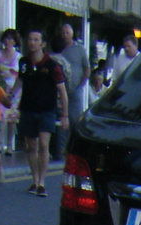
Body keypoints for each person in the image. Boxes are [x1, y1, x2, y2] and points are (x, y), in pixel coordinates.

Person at [12, 28, 67, 197]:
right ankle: (34, 180)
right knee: (31, 146)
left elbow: (62, 91)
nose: (32, 43)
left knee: (43, 144)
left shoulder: (52, 66)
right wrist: (11, 97)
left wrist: (64, 115)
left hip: (47, 111)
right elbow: (19, 82)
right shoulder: (23, 62)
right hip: (28, 109)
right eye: (30, 39)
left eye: (36, 40)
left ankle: (42, 182)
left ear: (42, 44)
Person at [51, 21, 87, 161]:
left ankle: (75, 147)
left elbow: (86, 68)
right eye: (63, 33)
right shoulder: (58, 49)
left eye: (67, 32)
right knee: (60, 119)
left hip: (75, 89)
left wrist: (81, 85)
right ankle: (61, 149)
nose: (65, 35)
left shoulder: (80, 49)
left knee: (74, 119)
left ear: (72, 34)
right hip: (59, 91)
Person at [0, 28, 20, 154]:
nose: (8, 41)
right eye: (6, 38)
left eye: (11, 39)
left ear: (15, 41)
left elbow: (20, 75)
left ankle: (9, 145)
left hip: (14, 90)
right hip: (1, 88)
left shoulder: (18, 56)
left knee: (12, 119)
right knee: (1, 116)